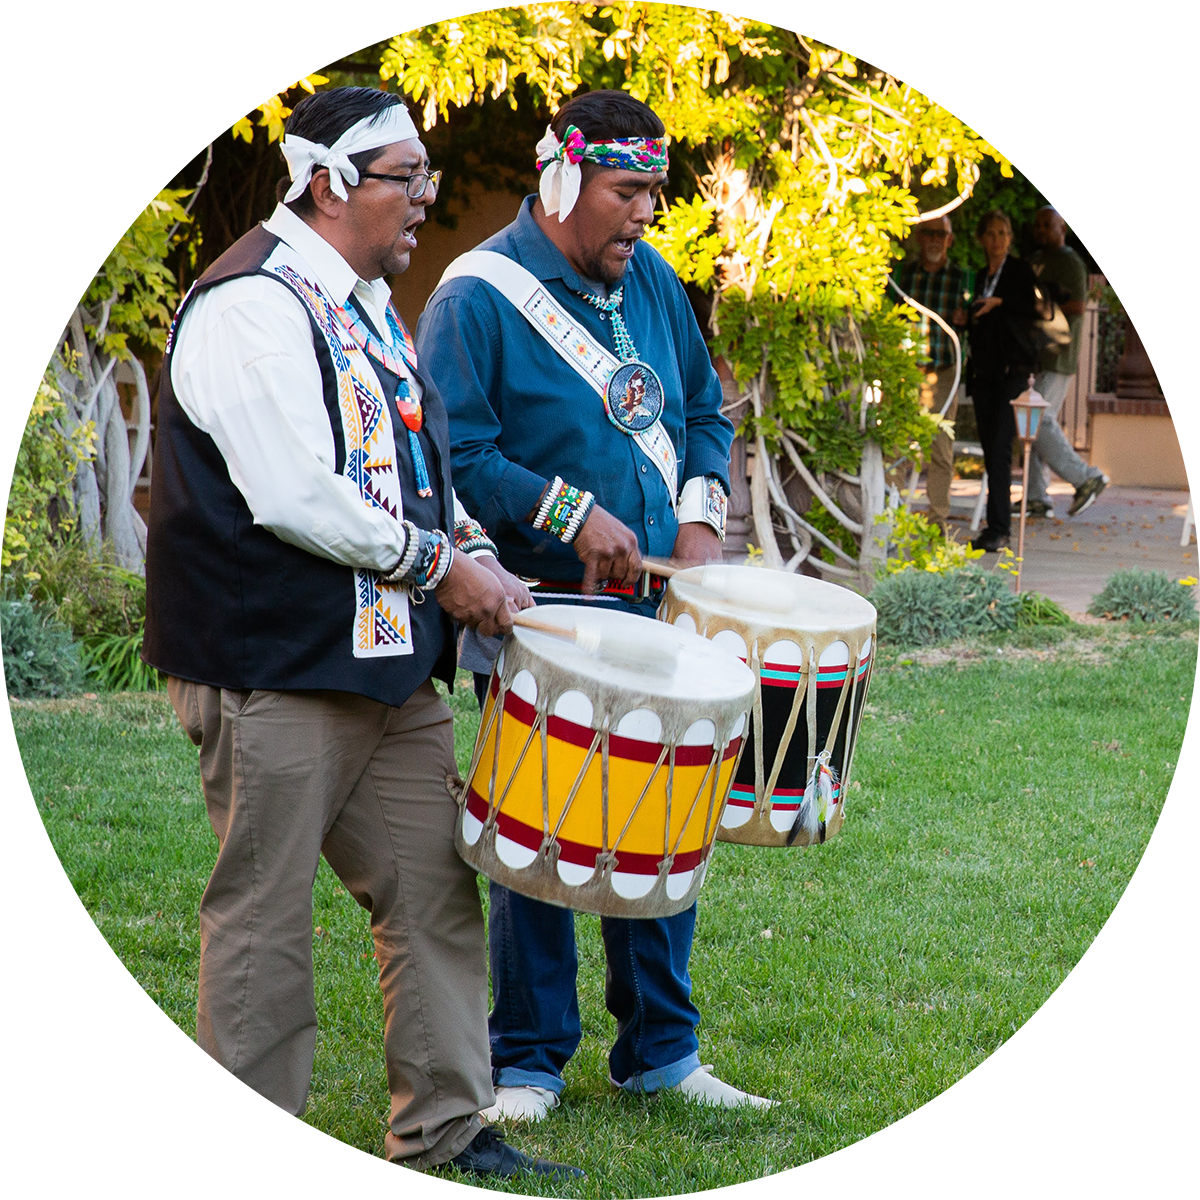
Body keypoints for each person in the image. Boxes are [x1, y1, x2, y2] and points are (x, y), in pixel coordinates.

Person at [142, 86, 580, 1187]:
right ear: (333, 185)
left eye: (428, 177)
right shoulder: (249, 303)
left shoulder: (366, 299)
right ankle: (245, 1148)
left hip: (385, 667)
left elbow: (403, 467)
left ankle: (445, 1127)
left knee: (433, 888)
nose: (427, 200)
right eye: (407, 179)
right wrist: (442, 569)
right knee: (264, 915)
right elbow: (293, 492)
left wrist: (474, 549)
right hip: (270, 665)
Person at [416, 90, 777, 1122]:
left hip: (656, 613)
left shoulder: (654, 279)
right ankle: (528, 1060)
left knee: (663, 825)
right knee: (543, 837)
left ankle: (661, 1050)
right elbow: (455, 454)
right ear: (564, 179)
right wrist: (569, 512)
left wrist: (699, 517)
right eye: (627, 192)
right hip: (536, 615)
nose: (644, 217)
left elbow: (702, 410)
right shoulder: (476, 297)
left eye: (654, 193)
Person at [1020, 206, 1109, 518]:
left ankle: (1088, 478)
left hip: (1059, 354)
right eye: (1038, 225)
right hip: (1034, 355)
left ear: (1063, 228)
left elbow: (1079, 305)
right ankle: (1036, 498)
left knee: (1038, 419)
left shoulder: (1070, 262)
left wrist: (1043, 302)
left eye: (1049, 225)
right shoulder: (1034, 261)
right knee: (1028, 423)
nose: (1042, 230)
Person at [965, 209, 1039, 553]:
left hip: (1011, 371)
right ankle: (994, 525)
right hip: (983, 372)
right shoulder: (980, 275)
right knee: (988, 449)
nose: (997, 240)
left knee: (999, 449)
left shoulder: (1019, 271)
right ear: (982, 238)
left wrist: (1001, 302)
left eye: (1003, 233)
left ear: (1010, 238)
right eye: (991, 233)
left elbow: (1033, 309)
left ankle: (999, 528)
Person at [893, 216, 971, 533]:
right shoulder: (902, 276)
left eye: (941, 234)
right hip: (907, 371)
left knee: (940, 448)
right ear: (919, 238)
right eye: (929, 233)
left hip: (945, 371)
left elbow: (973, 323)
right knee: (898, 445)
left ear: (950, 240)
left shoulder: (962, 279)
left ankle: (937, 521)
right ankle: (892, 516)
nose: (935, 240)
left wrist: (965, 319)